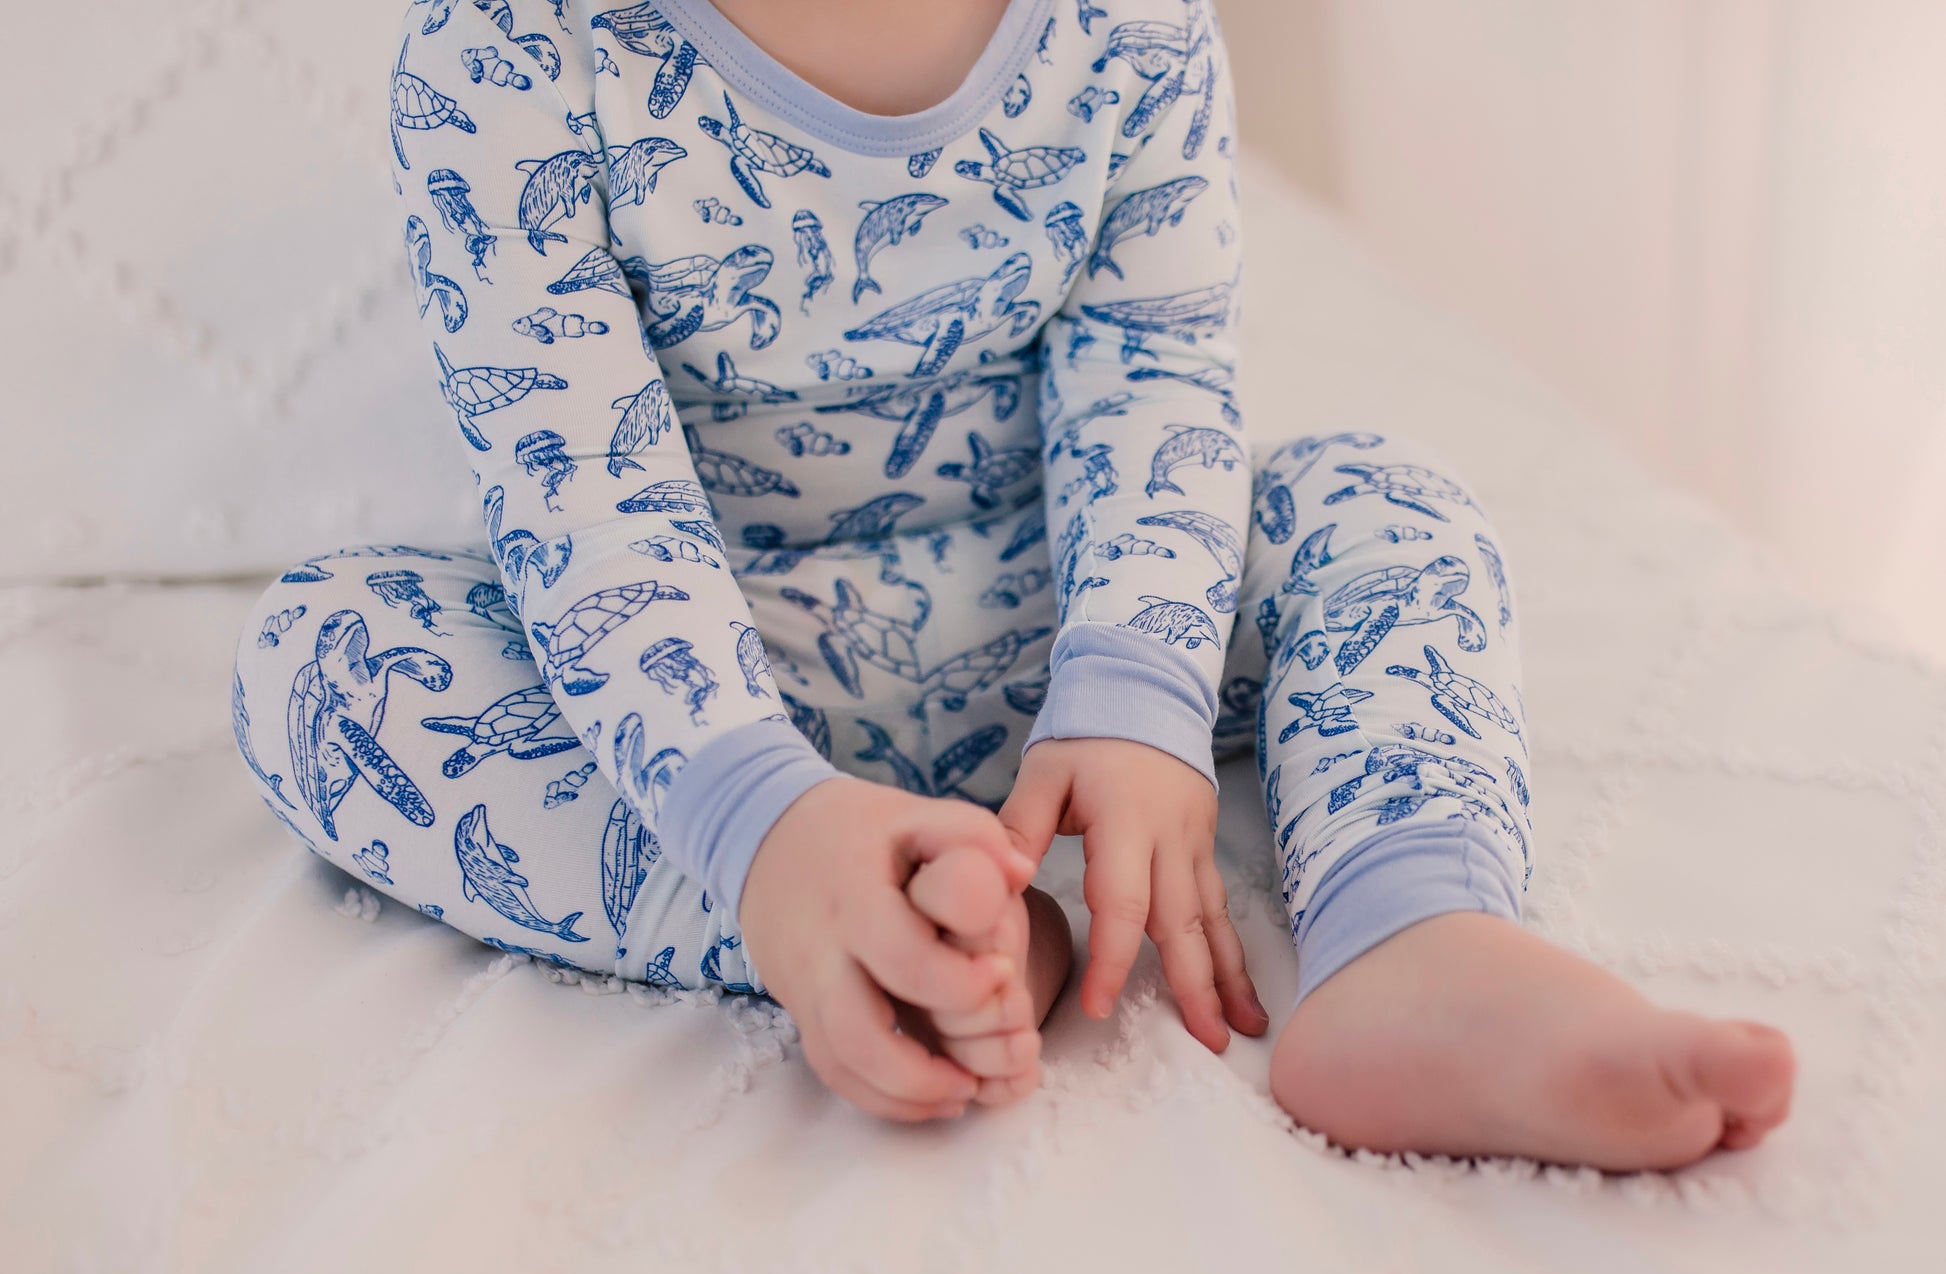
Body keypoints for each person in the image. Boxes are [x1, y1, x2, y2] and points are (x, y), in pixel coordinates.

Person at [232, 0, 1796, 1169]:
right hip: (716, 667)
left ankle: (1414, 940)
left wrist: (1140, 688)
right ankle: (916, 930)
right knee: (320, 662)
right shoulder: (507, 54)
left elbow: (1155, 366)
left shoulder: (1124, 23)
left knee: (1380, 505)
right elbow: (584, 500)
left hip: (1061, 616)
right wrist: (752, 817)